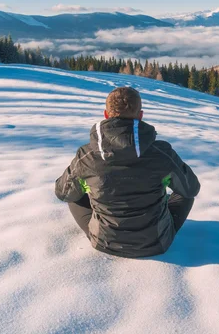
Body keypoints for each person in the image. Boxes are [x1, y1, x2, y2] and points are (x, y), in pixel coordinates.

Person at [55, 86, 200, 258]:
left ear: (106, 114)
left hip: (104, 242)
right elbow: (191, 189)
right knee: (184, 191)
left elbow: (63, 193)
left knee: (74, 192)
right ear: (140, 115)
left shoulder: (87, 155)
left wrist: (90, 186)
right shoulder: (161, 153)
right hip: (156, 242)